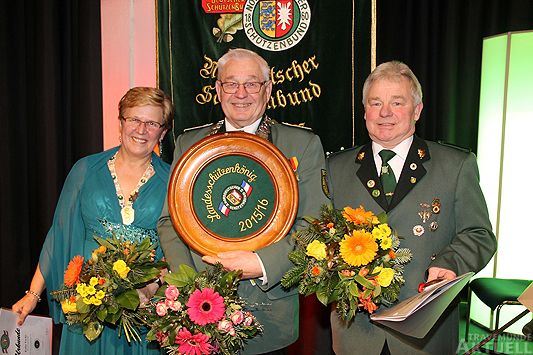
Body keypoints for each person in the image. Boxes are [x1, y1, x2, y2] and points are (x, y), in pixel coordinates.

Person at [158, 48, 329, 354]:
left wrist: (261, 263)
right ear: (217, 90)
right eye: (230, 84)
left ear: (268, 89)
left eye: (251, 84)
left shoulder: (302, 145)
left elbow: (315, 226)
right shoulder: (189, 144)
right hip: (199, 312)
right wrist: (191, 287)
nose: (240, 94)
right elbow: (170, 221)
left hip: (269, 318)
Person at [326, 61, 497, 354]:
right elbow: (316, 236)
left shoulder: (455, 165)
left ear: (417, 110)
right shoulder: (335, 167)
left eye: (397, 102)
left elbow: (479, 234)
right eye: (375, 102)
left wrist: (451, 263)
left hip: (425, 332)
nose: (385, 113)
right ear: (365, 110)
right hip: (356, 333)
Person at [12, 87, 173, 354]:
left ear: (163, 132)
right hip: (86, 308)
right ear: (120, 123)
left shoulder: (173, 182)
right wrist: (32, 295)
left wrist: (156, 284)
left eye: (152, 123)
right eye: (134, 119)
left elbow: (177, 248)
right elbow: (58, 235)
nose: (141, 129)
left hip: (142, 312)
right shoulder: (85, 170)